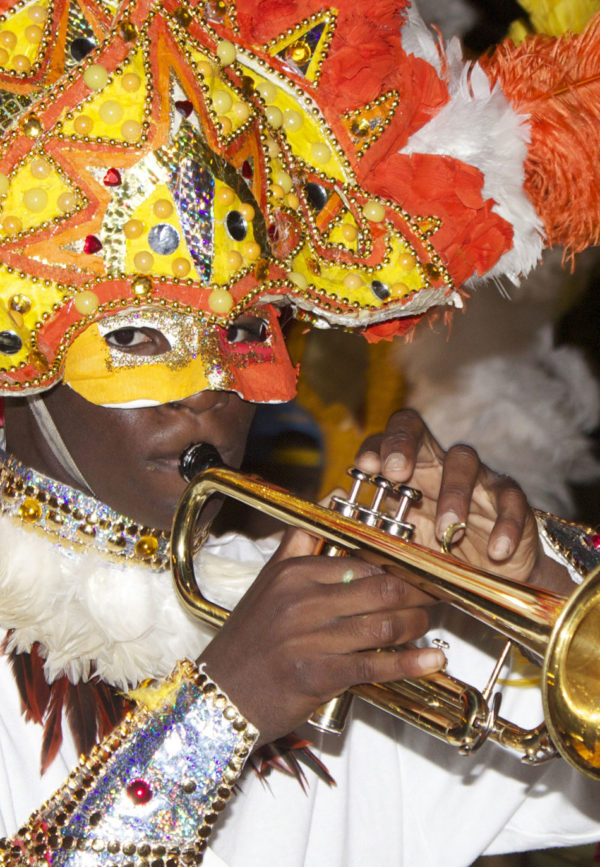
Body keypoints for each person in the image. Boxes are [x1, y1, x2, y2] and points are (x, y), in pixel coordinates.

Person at [1, 0, 600, 864]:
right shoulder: (275, 652)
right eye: (137, 336)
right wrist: (226, 706)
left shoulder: (335, 636)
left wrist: (538, 577)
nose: (208, 392)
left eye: (243, 333)